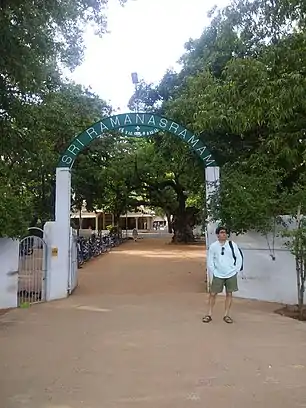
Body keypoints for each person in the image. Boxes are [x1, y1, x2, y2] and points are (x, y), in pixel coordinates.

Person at [203, 226, 242, 324]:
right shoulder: (213, 246)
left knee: (229, 294)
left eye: (225, 232)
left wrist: (236, 270)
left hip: (231, 274)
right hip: (218, 274)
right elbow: (210, 260)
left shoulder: (232, 245)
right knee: (213, 294)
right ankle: (209, 314)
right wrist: (214, 271)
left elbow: (239, 258)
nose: (224, 234)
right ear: (217, 235)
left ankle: (226, 315)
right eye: (221, 232)